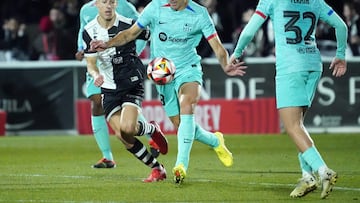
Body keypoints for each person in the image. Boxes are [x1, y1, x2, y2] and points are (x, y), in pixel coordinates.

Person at [90, 0, 247, 184]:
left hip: (188, 68)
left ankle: (181, 166)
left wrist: (225, 64)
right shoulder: (156, 6)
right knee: (181, 126)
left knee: (187, 103)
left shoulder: (199, 14)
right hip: (162, 74)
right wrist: (107, 44)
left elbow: (218, 47)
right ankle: (215, 141)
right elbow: (130, 34)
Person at [230, 0, 347, 199]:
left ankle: (322, 171)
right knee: (298, 126)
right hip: (313, 64)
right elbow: (341, 26)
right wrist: (341, 54)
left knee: (292, 126)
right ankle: (307, 176)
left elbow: (250, 31)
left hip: (290, 67)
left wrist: (237, 52)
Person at [83, 0, 167, 182]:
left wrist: (160, 61)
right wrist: (95, 73)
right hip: (108, 88)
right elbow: (90, 63)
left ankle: (151, 129)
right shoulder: (89, 31)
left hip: (131, 81)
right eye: (104, 2)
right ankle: (157, 169)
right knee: (123, 136)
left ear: (115, 4)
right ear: (96, 4)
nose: (107, 6)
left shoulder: (129, 25)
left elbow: (154, 36)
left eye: (111, 2)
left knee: (127, 128)